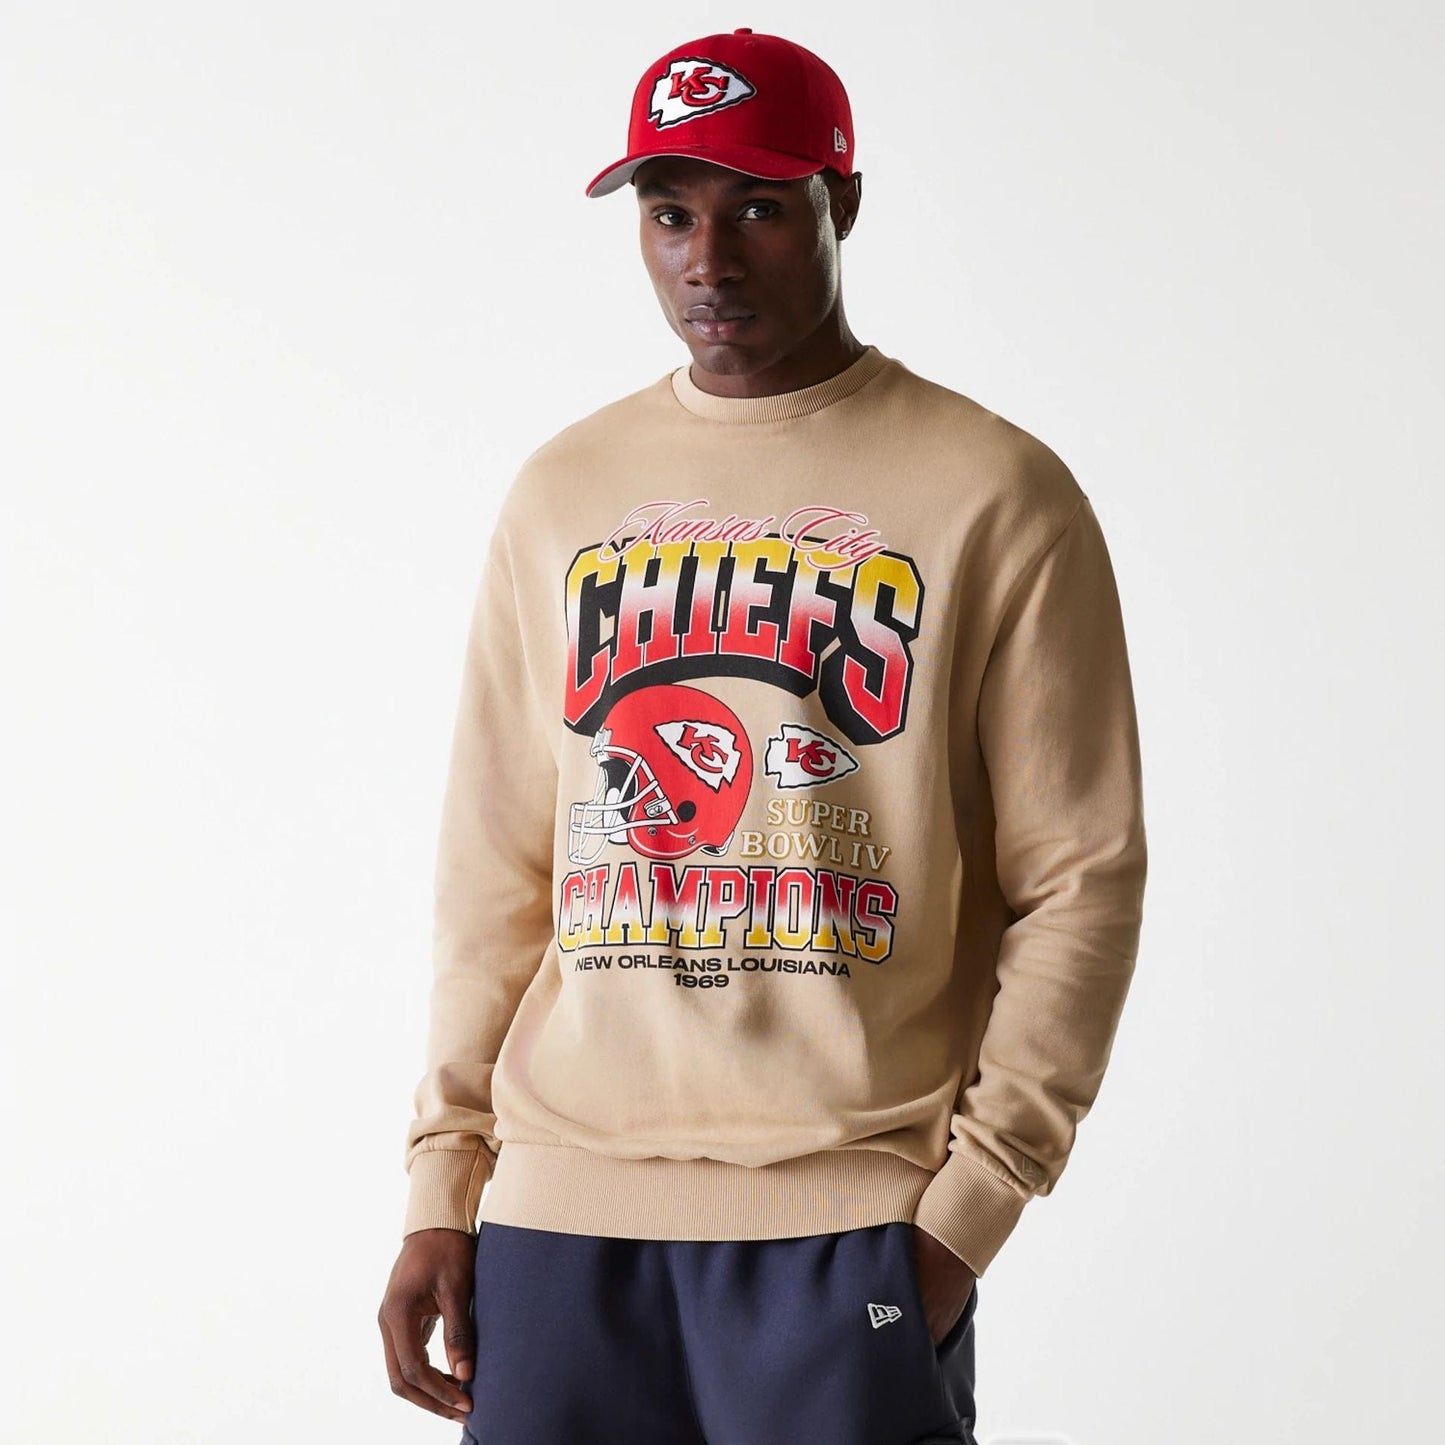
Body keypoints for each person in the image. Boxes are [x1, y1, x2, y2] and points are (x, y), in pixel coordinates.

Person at [377, 26, 1147, 1445]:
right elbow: (495, 871)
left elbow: (1080, 878)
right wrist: (443, 1184)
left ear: (842, 202)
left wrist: (964, 1216)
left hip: (850, 1224)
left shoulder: (995, 493)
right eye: (669, 214)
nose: (709, 261)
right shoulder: (563, 490)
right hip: (555, 1217)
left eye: (759, 209)